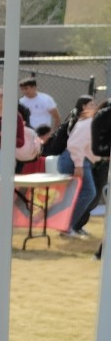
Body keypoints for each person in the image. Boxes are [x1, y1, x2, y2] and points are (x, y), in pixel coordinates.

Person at [64, 98, 99, 238]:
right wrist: (78, 165)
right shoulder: (90, 122)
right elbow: (74, 144)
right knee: (89, 192)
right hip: (76, 159)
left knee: (85, 194)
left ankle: (68, 226)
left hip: (83, 160)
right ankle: (67, 227)